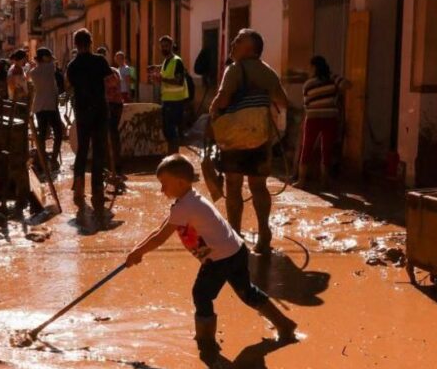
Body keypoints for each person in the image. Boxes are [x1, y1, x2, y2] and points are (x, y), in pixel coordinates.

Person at [124, 154, 298, 351]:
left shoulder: (185, 207)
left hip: (219, 259)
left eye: (165, 183)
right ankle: (284, 324)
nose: (162, 189)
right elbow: (160, 230)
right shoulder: (190, 199)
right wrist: (137, 251)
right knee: (247, 291)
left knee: (201, 294)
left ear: (181, 183)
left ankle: (206, 341)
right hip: (235, 250)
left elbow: (161, 237)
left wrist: (138, 253)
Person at [209, 29, 288, 254]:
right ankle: (264, 235)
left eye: (238, 40)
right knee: (259, 186)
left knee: (233, 186)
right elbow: (282, 102)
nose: (232, 44)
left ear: (250, 48)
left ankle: (234, 235)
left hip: (234, 139)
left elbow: (223, 99)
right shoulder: (268, 72)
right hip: (261, 137)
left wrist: (212, 112)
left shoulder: (234, 70)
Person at [67, 29, 113, 209]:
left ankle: (79, 188)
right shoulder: (100, 61)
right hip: (99, 110)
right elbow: (110, 82)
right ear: (91, 42)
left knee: (83, 149)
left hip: (82, 111)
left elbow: (68, 85)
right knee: (99, 151)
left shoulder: (72, 65)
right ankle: (97, 190)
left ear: (75, 44)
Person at [295, 55, 351, 189]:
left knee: (306, 148)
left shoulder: (308, 84)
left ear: (314, 67)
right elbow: (348, 85)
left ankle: (301, 181)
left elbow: (306, 104)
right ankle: (324, 181)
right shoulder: (333, 78)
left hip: (312, 118)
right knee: (326, 149)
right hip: (330, 117)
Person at [158, 36, 193, 154]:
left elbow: (179, 81)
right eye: (162, 46)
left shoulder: (177, 61)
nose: (164, 48)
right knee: (167, 131)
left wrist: (161, 79)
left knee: (172, 132)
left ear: (171, 46)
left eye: (166, 46)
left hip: (175, 102)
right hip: (167, 100)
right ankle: (171, 157)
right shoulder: (166, 61)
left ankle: (174, 158)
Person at [30, 47, 63, 168]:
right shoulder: (50, 67)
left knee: (42, 134)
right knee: (58, 132)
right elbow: (53, 63)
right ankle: (53, 159)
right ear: (44, 58)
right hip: (50, 106)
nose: (51, 59)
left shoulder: (33, 72)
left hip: (39, 106)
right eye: (49, 57)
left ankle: (41, 159)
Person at [98, 47, 124, 176]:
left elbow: (113, 85)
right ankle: (110, 164)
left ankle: (115, 165)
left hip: (113, 105)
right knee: (107, 134)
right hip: (108, 104)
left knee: (112, 133)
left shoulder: (112, 72)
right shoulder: (102, 72)